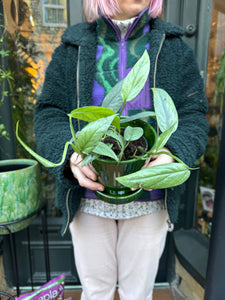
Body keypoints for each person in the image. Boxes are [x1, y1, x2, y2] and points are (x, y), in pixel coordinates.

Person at [34, 0, 209, 299]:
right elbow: (49, 113)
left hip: (149, 198)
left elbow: (194, 115)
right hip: (89, 198)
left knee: (137, 293)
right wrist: (70, 156)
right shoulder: (72, 48)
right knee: (95, 290)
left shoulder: (174, 48)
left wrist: (172, 152)